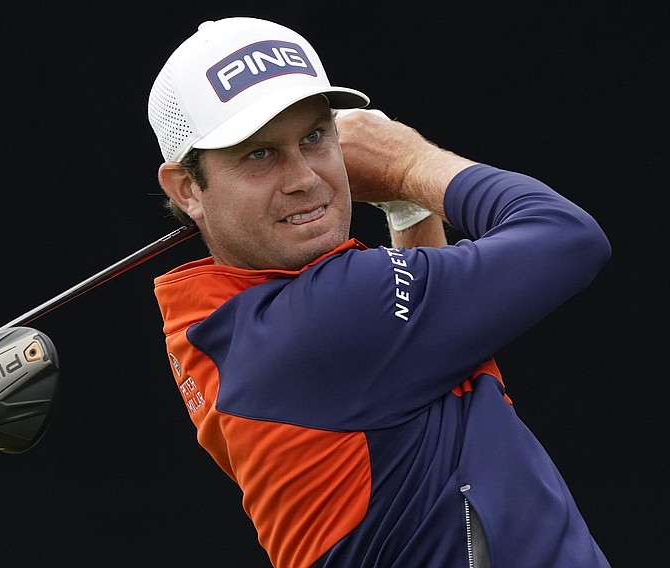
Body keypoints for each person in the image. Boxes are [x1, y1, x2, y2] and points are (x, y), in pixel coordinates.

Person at [147, 17, 611, 568]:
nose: (304, 177)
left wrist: (407, 210)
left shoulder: (216, 324)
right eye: (259, 154)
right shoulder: (333, 315)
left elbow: (431, 344)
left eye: (315, 136)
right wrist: (406, 165)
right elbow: (568, 236)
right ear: (186, 189)